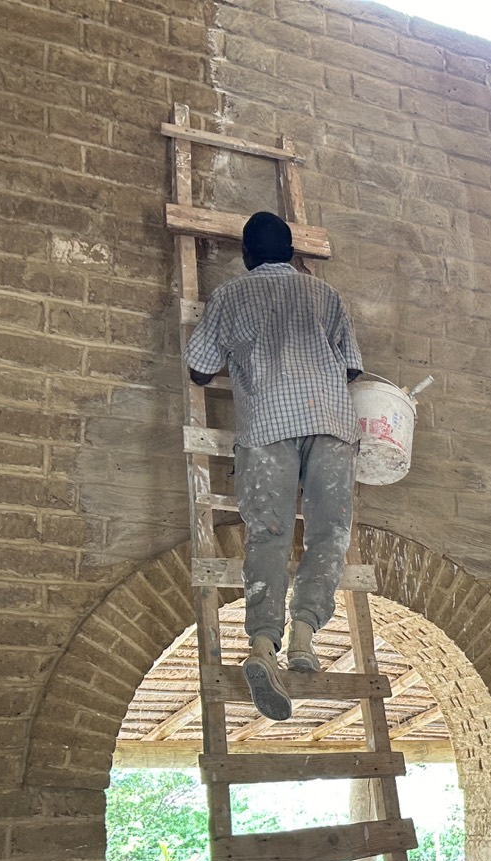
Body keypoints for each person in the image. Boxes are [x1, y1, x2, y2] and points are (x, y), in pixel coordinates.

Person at [185, 211, 364, 721]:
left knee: (268, 533)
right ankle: (305, 636)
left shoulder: (231, 296)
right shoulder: (325, 296)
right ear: (290, 254)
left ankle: (264, 645)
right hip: (332, 424)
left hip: (268, 426)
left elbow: (198, 369)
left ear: (246, 256)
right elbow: (350, 366)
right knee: (329, 533)